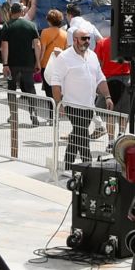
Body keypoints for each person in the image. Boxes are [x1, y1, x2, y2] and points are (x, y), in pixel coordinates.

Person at [45, 25, 106, 175]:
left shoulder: (92, 56)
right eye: (83, 38)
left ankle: (67, 166)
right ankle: (88, 168)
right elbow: (56, 81)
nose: (86, 41)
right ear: (75, 40)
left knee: (77, 135)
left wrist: (108, 96)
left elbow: (100, 77)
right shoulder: (65, 57)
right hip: (72, 104)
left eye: (88, 38)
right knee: (82, 134)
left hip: (88, 105)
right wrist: (59, 103)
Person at [0, 3, 43, 124]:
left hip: (12, 63)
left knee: (12, 88)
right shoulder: (31, 25)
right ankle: (33, 113)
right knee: (30, 87)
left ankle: (13, 115)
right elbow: (37, 44)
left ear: (11, 12)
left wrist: (5, 64)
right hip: (28, 62)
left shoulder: (7, 26)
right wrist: (38, 61)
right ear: (22, 12)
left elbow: (4, 46)